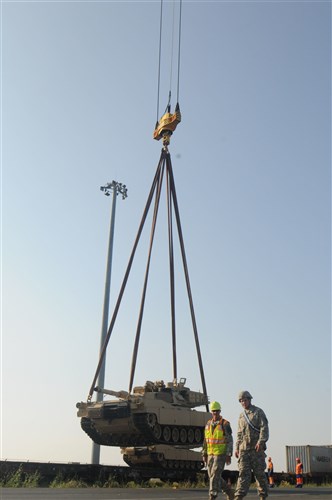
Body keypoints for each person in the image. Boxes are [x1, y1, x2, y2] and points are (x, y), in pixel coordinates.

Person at [234, 391, 269, 500]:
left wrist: (261, 442)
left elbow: (264, 428)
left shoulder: (258, 412)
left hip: (256, 449)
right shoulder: (241, 416)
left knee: (259, 474)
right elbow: (239, 433)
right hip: (244, 450)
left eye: (245, 400)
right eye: (241, 401)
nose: (243, 402)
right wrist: (237, 447)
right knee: (243, 473)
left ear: (249, 400)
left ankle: (263, 496)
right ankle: (239, 496)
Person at [202, 401, 235, 500]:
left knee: (215, 475)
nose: (215, 413)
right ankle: (229, 491)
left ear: (219, 411)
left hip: (220, 454)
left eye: (216, 411)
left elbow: (230, 440)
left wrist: (229, 454)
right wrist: (204, 453)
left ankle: (212, 496)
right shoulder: (208, 424)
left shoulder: (225, 424)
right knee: (212, 476)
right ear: (211, 412)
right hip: (210, 454)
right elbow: (205, 441)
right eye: (213, 411)